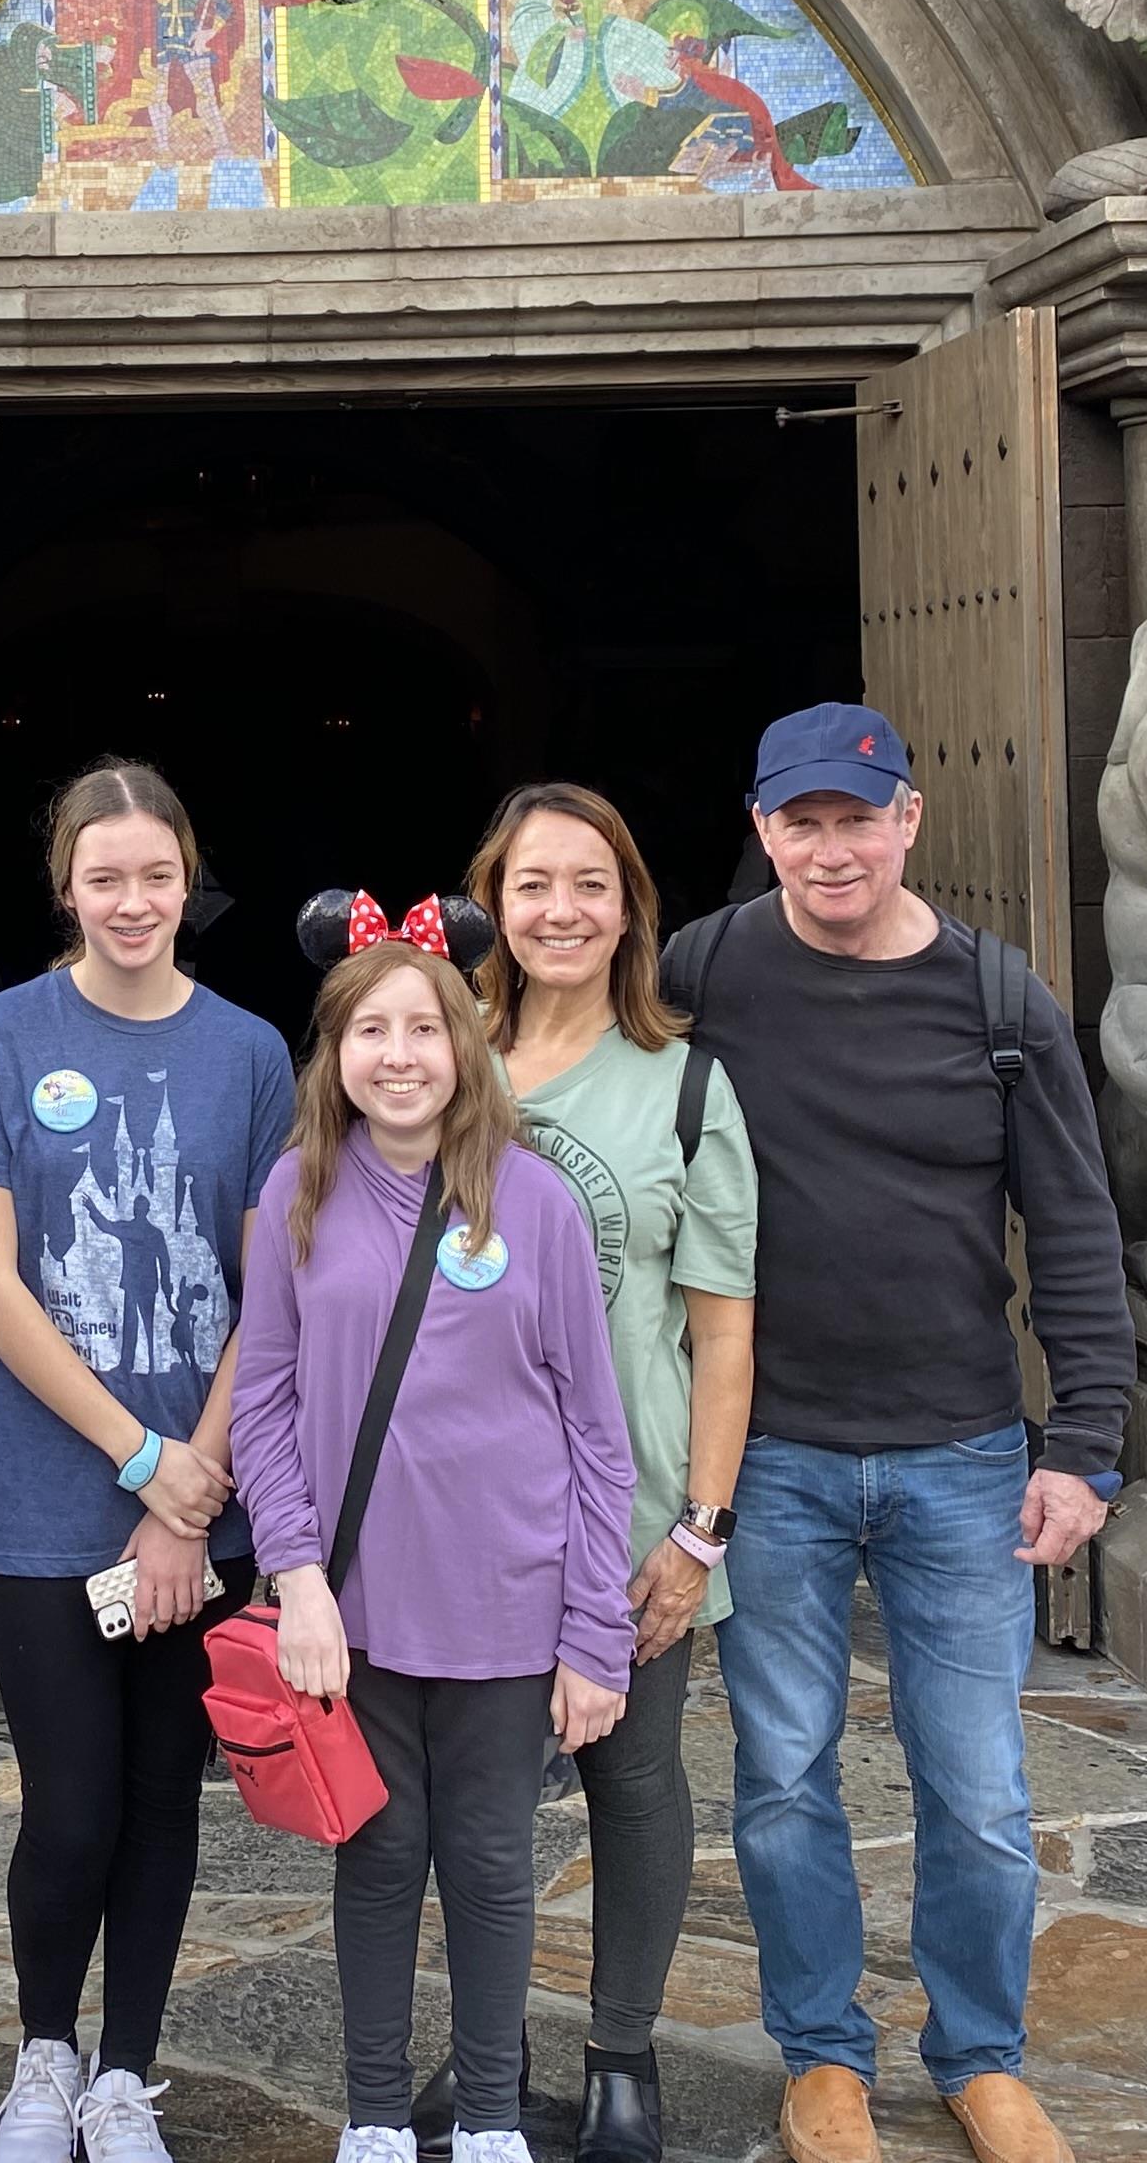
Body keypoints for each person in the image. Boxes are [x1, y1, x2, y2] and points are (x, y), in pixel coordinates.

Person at [671, 704, 1128, 2163]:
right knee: (785, 1775)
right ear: (762, 833)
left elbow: (1072, 1225)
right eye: (798, 824)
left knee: (980, 1789)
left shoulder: (1001, 1000)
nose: (829, 850)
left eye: (854, 820)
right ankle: (822, 2056)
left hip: (961, 1452)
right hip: (774, 1456)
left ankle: (981, 2054)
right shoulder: (705, 970)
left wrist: (1086, 1444)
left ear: (908, 820)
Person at [0, 762, 297, 2163]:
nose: (133, 902)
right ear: (65, 887)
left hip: (206, 1504)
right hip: (47, 1499)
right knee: (69, 1805)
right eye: (105, 877)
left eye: (156, 876)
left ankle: (125, 2070)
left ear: (186, 881)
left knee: (159, 1797)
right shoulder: (2, 1041)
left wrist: (193, 1490)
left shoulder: (252, 1054)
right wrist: (142, 1458)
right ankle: (42, 2055)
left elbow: (273, 1296)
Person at [237, 935, 636, 2163]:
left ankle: (491, 2121)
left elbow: (596, 1433)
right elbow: (263, 1404)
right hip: (352, 1610)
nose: (399, 1057)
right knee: (377, 1854)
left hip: (509, 1604)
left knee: (490, 1862)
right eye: (371, 1032)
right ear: (336, 1052)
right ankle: (370, 2115)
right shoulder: (295, 1189)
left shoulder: (537, 1200)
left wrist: (595, 1635)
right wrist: (298, 1581)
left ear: (464, 1046)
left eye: (424, 1029)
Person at [467, 785, 759, 2163]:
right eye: (534, 885)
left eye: (591, 883)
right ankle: (488, 2059)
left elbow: (721, 1332)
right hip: (453, 1522)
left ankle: (623, 2057)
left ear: (631, 907)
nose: (562, 910)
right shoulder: (437, 1056)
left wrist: (697, 1532)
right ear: (496, 904)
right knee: (476, 1808)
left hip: (626, 1517)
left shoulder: (690, 1085)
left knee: (633, 1789)